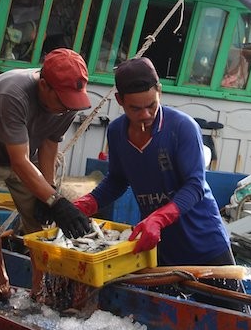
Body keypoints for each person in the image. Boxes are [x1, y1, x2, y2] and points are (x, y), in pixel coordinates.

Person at [72, 58, 240, 294]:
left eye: (152, 105)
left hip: (205, 244)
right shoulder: (117, 132)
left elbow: (194, 185)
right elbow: (118, 179)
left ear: (159, 91)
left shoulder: (182, 127)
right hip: (158, 248)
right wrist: (87, 203)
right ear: (120, 101)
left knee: (232, 317)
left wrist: (159, 218)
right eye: (135, 109)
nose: (145, 115)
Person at [0, 48, 93, 304]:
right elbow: (18, 162)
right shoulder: (13, 93)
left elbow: (50, 143)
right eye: (63, 100)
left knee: (36, 217)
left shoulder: (69, 101)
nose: (68, 108)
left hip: (23, 152)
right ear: (44, 85)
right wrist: (57, 201)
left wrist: (49, 191)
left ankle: (39, 289)